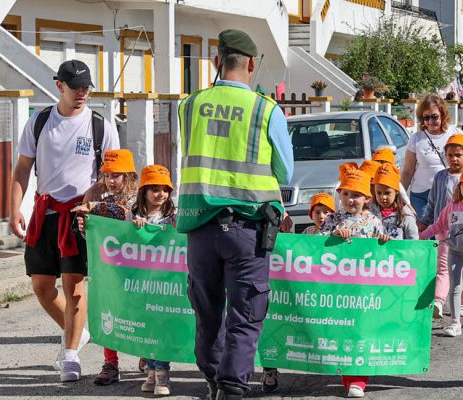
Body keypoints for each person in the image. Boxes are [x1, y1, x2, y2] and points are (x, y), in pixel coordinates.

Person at [176, 29, 293, 400]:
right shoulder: (265, 109)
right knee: (246, 313)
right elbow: (286, 172)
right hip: (247, 230)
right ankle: (231, 385)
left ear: (215, 62)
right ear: (252, 64)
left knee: (207, 310)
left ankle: (213, 379)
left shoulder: (188, 105)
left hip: (199, 226)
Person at [9, 60, 121, 382]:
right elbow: (21, 169)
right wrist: (15, 207)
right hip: (45, 214)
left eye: (87, 87)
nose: (83, 93)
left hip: (80, 217)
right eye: (76, 87)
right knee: (42, 286)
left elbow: (115, 176)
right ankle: (77, 332)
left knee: (74, 285)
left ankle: (70, 355)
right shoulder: (40, 121)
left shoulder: (100, 125)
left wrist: (96, 193)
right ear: (60, 86)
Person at [68, 150, 140, 388]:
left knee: (139, 311)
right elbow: (85, 232)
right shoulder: (95, 194)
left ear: (128, 175)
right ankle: (111, 363)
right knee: (109, 312)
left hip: (137, 267)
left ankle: (148, 354)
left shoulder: (140, 197)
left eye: (116, 175)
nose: (111, 180)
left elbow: (145, 219)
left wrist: (95, 208)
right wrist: (82, 225)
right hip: (108, 267)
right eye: (107, 175)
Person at [321, 167, 385, 398]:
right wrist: (332, 236)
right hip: (337, 288)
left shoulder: (374, 221)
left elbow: (383, 255)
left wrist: (384, 241)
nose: (350, 200)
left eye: (356, 195)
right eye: (346, 194)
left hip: (364, 289)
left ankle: (358, 379)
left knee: (361, 331)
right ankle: (343, 372)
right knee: (341, 331)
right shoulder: (332, 219)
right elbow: (314, 248)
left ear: (366, 198)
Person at [421, 166, 463, 337]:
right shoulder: (452, 207)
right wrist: (423, 235)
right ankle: (455, 322)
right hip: (454, 251)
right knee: (455, 287)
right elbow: (439, 225)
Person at [133, 164, 178, 396]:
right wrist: (133, 229)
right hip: (141, 284)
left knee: (161, 327)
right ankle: (150, 371)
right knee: (146, 326)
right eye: (155, 189)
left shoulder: (173, 218)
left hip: (166, 285)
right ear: (144, 191)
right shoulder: (133, 217)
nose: (160, 194)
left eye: (165, 189)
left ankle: (163, 374)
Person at [420, 134, 463, 319]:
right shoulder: (441, 177)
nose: (454, 159)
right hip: (444, 230)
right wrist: (426, 223)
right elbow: (432, 201)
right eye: (450, 155)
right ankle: (438, 301)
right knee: (443, 267)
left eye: (458, 155)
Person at [401, 94, 459, 214]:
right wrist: (400, 196)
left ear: (443, 114)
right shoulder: (416, 139)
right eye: (426, 118)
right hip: (421, 195)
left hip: (449, 193)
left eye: (434, 117)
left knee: (447, 231)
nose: (430, 121)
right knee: (425, 231)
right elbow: (408, 171)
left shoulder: (455, 134)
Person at [371, 164, 419, 241]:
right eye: (379, 193)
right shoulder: (370, 212)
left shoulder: (405, 215)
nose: (383, 197)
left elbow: (413, 241)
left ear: (396, 191)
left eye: (387, 193)